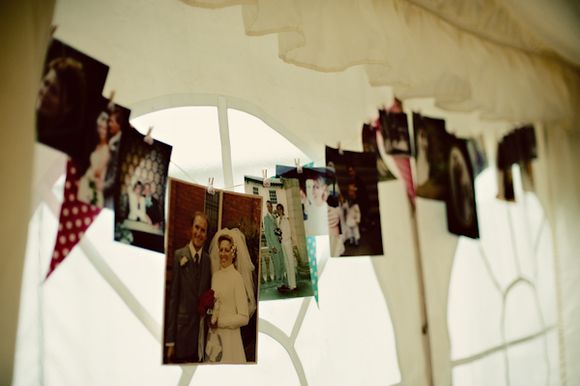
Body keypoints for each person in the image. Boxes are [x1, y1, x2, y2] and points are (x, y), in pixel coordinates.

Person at [165, 212, 212, 363]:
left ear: (206, 235)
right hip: (181, 335)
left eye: (203, 230)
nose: (199, 233)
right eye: (196, 227)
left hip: (199, 338)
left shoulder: (207, 261)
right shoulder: (179, 256)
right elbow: (173, 300)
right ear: (191, 229)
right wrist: (170, 341)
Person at [206, 233, 251, 363]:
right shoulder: (216, 276)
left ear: (233, 253)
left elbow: (244, 317)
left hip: (230, 339)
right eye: (221, 250)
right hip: (214, 337)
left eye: (227, 250)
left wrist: (220, 322)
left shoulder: (237, 278)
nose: (223, 254)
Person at [36, 56, 86, 156]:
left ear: (68, 107)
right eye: (46, 83)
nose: (45, 92)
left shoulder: (64, 147)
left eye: (54, 91)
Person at [77, 110, 111, 207]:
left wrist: (89, 178)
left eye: (104, 128)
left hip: (94, 184)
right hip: (86, 181)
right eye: (100, 127)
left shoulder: (106, 149)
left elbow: (98, 172)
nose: (101, 131)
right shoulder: (97, 145)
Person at [103, 106, 129, 208]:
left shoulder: (119, 145)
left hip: (108, 196)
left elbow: (115, 174)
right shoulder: (111, 141)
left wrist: (101, 188)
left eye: (111, 122)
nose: (109, 125)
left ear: (119, 124)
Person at [276, 203, 297, 291]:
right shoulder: (277, 220)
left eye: (280, 209)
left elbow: (289, 232)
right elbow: (278, 231)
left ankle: (294, 285)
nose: (279, 210)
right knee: (286, 264)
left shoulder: (286, 220)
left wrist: (283, 237)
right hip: (282, 244)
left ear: (282, 210)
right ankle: (289, 284)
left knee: (290, 263)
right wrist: (279, 237)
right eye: (278, 209)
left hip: (287, 242)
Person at [262, 201, 283, 282]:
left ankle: (282, 283)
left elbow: (277, 230)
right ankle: (279, 284)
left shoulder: (274, 217)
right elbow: (267, 234)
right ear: (266, 207)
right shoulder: (266, 218)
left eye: (270, 206)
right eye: (267, 206)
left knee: (281, 264)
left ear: (272, 207)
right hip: (274, 246)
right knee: (277, 265)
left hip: (279, 244)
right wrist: (272, 246)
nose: (269, 207)